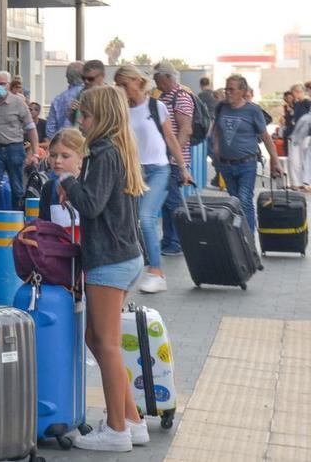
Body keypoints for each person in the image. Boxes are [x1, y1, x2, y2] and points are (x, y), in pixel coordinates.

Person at [62, 86, 149, 452]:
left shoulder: (101, 152)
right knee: (95, 339)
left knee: (108, 345)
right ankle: (132, 420)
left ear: (102, 117)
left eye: (87, 115)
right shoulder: (120, 149)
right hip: (125, 257)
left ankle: (117, 431)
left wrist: (68, 178)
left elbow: (92, 205)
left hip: (109, 260)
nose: (82, 121)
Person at [114, 66, 191, 295]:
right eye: (117, 85)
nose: (120, 89)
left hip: (158, 169)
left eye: (124, 84)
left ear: (137, 82)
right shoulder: (120, 110)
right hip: (132, 171)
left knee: (145, 219)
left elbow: (170, 138)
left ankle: (156, 273)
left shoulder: (155, 107)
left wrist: (183, 168)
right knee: (127, 221)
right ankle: (130, 269)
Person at [214, 74, 283, 230]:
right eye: (226, 89)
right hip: (226, 164)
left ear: (243, 91)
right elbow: (217, 128)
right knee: (234, 201)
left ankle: (248, 239)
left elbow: (265, 137)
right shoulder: (221, 108)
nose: (227, 93)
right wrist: (216, 146)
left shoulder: (253, 111)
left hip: (246, 164)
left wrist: (275, 160)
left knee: (244, 199)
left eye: (231, 89)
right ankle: (238, 235)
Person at [0, 70, 39, 209]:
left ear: (8, 85)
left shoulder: (18, 102)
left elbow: (31, 128)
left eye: (1, 84)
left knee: (17, 187)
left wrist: (35, 153)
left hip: (14, 148)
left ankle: (17, 218)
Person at [153, 63, 194, 256]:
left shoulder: (181, 98)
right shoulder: (164, 97)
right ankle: (169, 239)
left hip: (173, 161)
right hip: (165, 159)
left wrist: (173, 155)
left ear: (167, 78)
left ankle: (176, 241)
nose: (154, 81)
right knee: (167, 202)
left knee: (173, 202)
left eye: (156, 77)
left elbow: (185, 129)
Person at [47, 61, 85, 139]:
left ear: (67, 77)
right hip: (82, 141)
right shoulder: (89, 95)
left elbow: (50, 129)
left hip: (62, 142)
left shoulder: (58, 99)